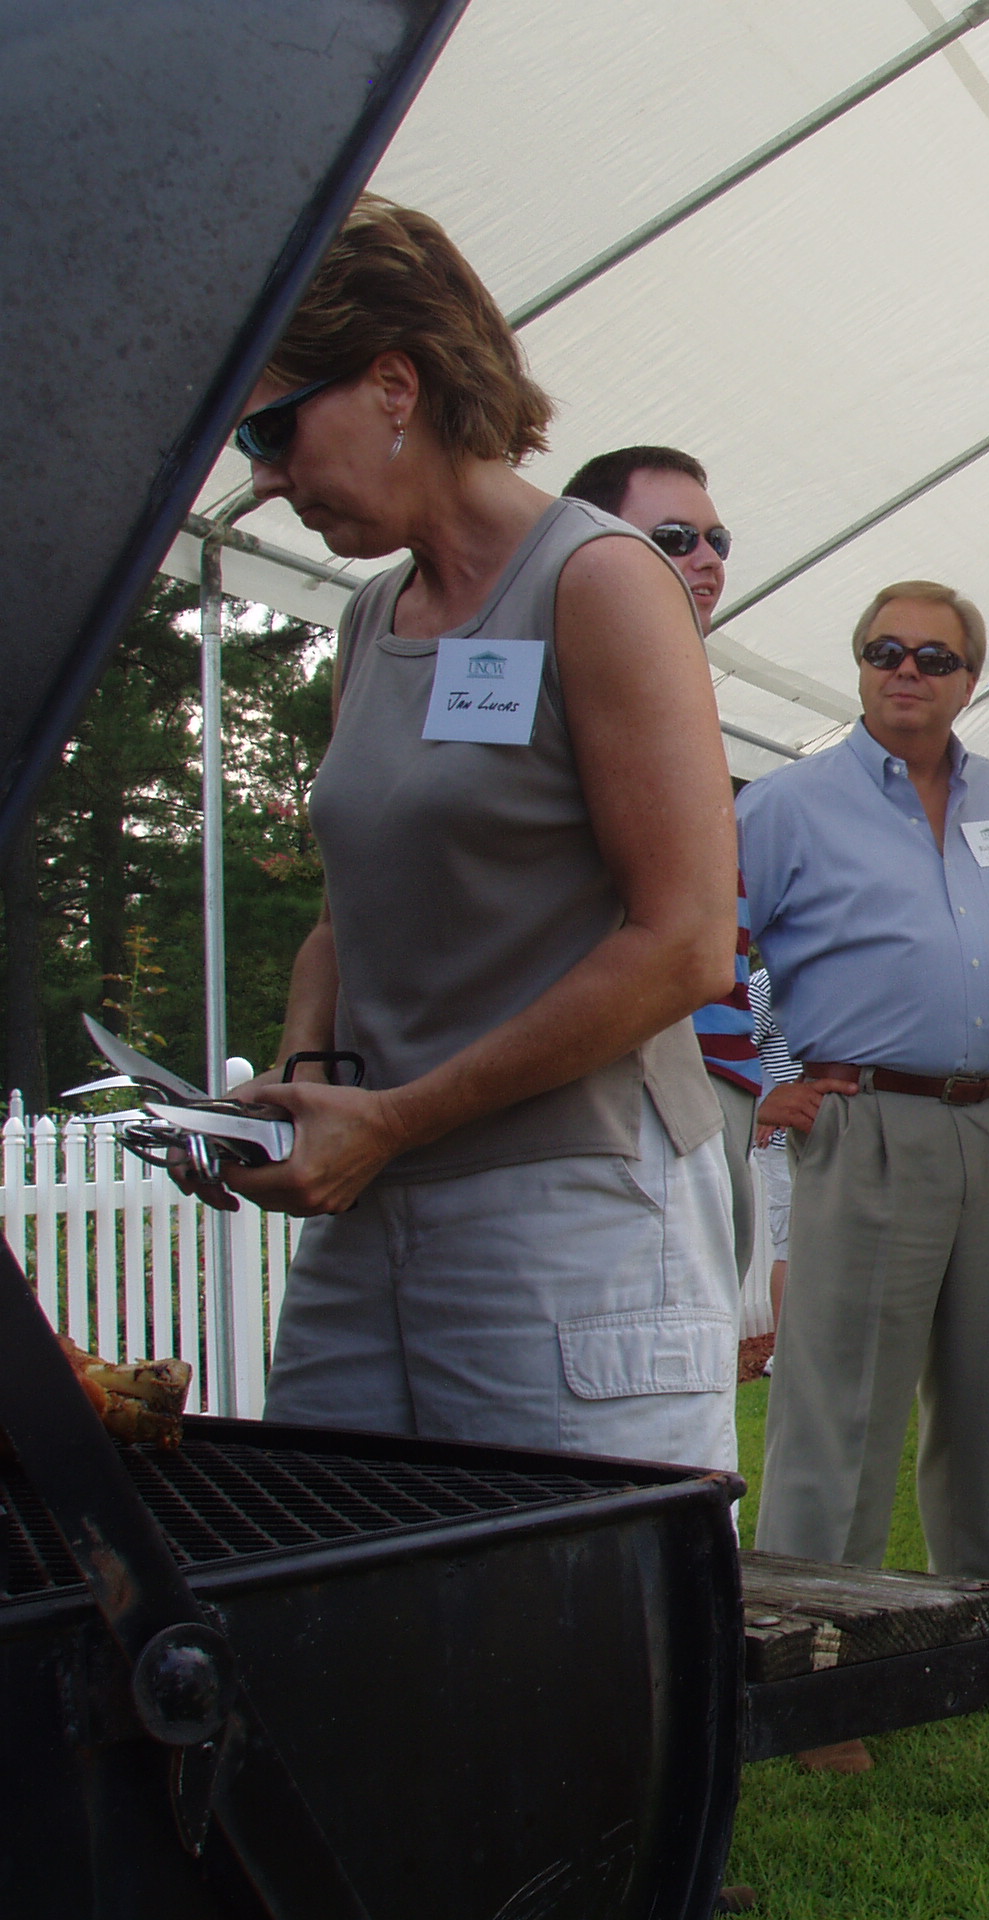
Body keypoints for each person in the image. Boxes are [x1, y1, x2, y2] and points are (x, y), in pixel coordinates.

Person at [208, 197, 741, 1468]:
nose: (264, 479)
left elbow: (685, 945)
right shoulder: (373, 616)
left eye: (274, 429)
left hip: (568, 1206)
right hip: (373, 1203)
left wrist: (398, 1119)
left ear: (395, 385)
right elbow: (344, 914)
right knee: (328, 1559)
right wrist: (306, 1084)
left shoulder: (599, 580)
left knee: (564, 1587)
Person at [740, 578, 989, 1773]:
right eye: (884, 650)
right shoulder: (787, 804)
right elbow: (707, 939)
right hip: (865, 1119)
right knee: (841, 1412)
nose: (907, 670)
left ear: (969, 677)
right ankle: (811, 1682)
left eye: (934, 657)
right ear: (858, 665)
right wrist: (756, 1080)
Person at [560, 446, 766, 1291]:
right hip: (622, 1082)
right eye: (676, 538)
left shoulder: (685, 695)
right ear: (591, 544)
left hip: (715, 1073)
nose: (708, 559)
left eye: (719, 540)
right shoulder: (568, 680)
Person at [748, 966, 799, 1343]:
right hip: (780, 1142)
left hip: (831, 1136)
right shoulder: (766, 983)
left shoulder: (829, 976)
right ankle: (784, 1353)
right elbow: (740, 1049)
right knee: (790, 1246)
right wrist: (761, 1107)